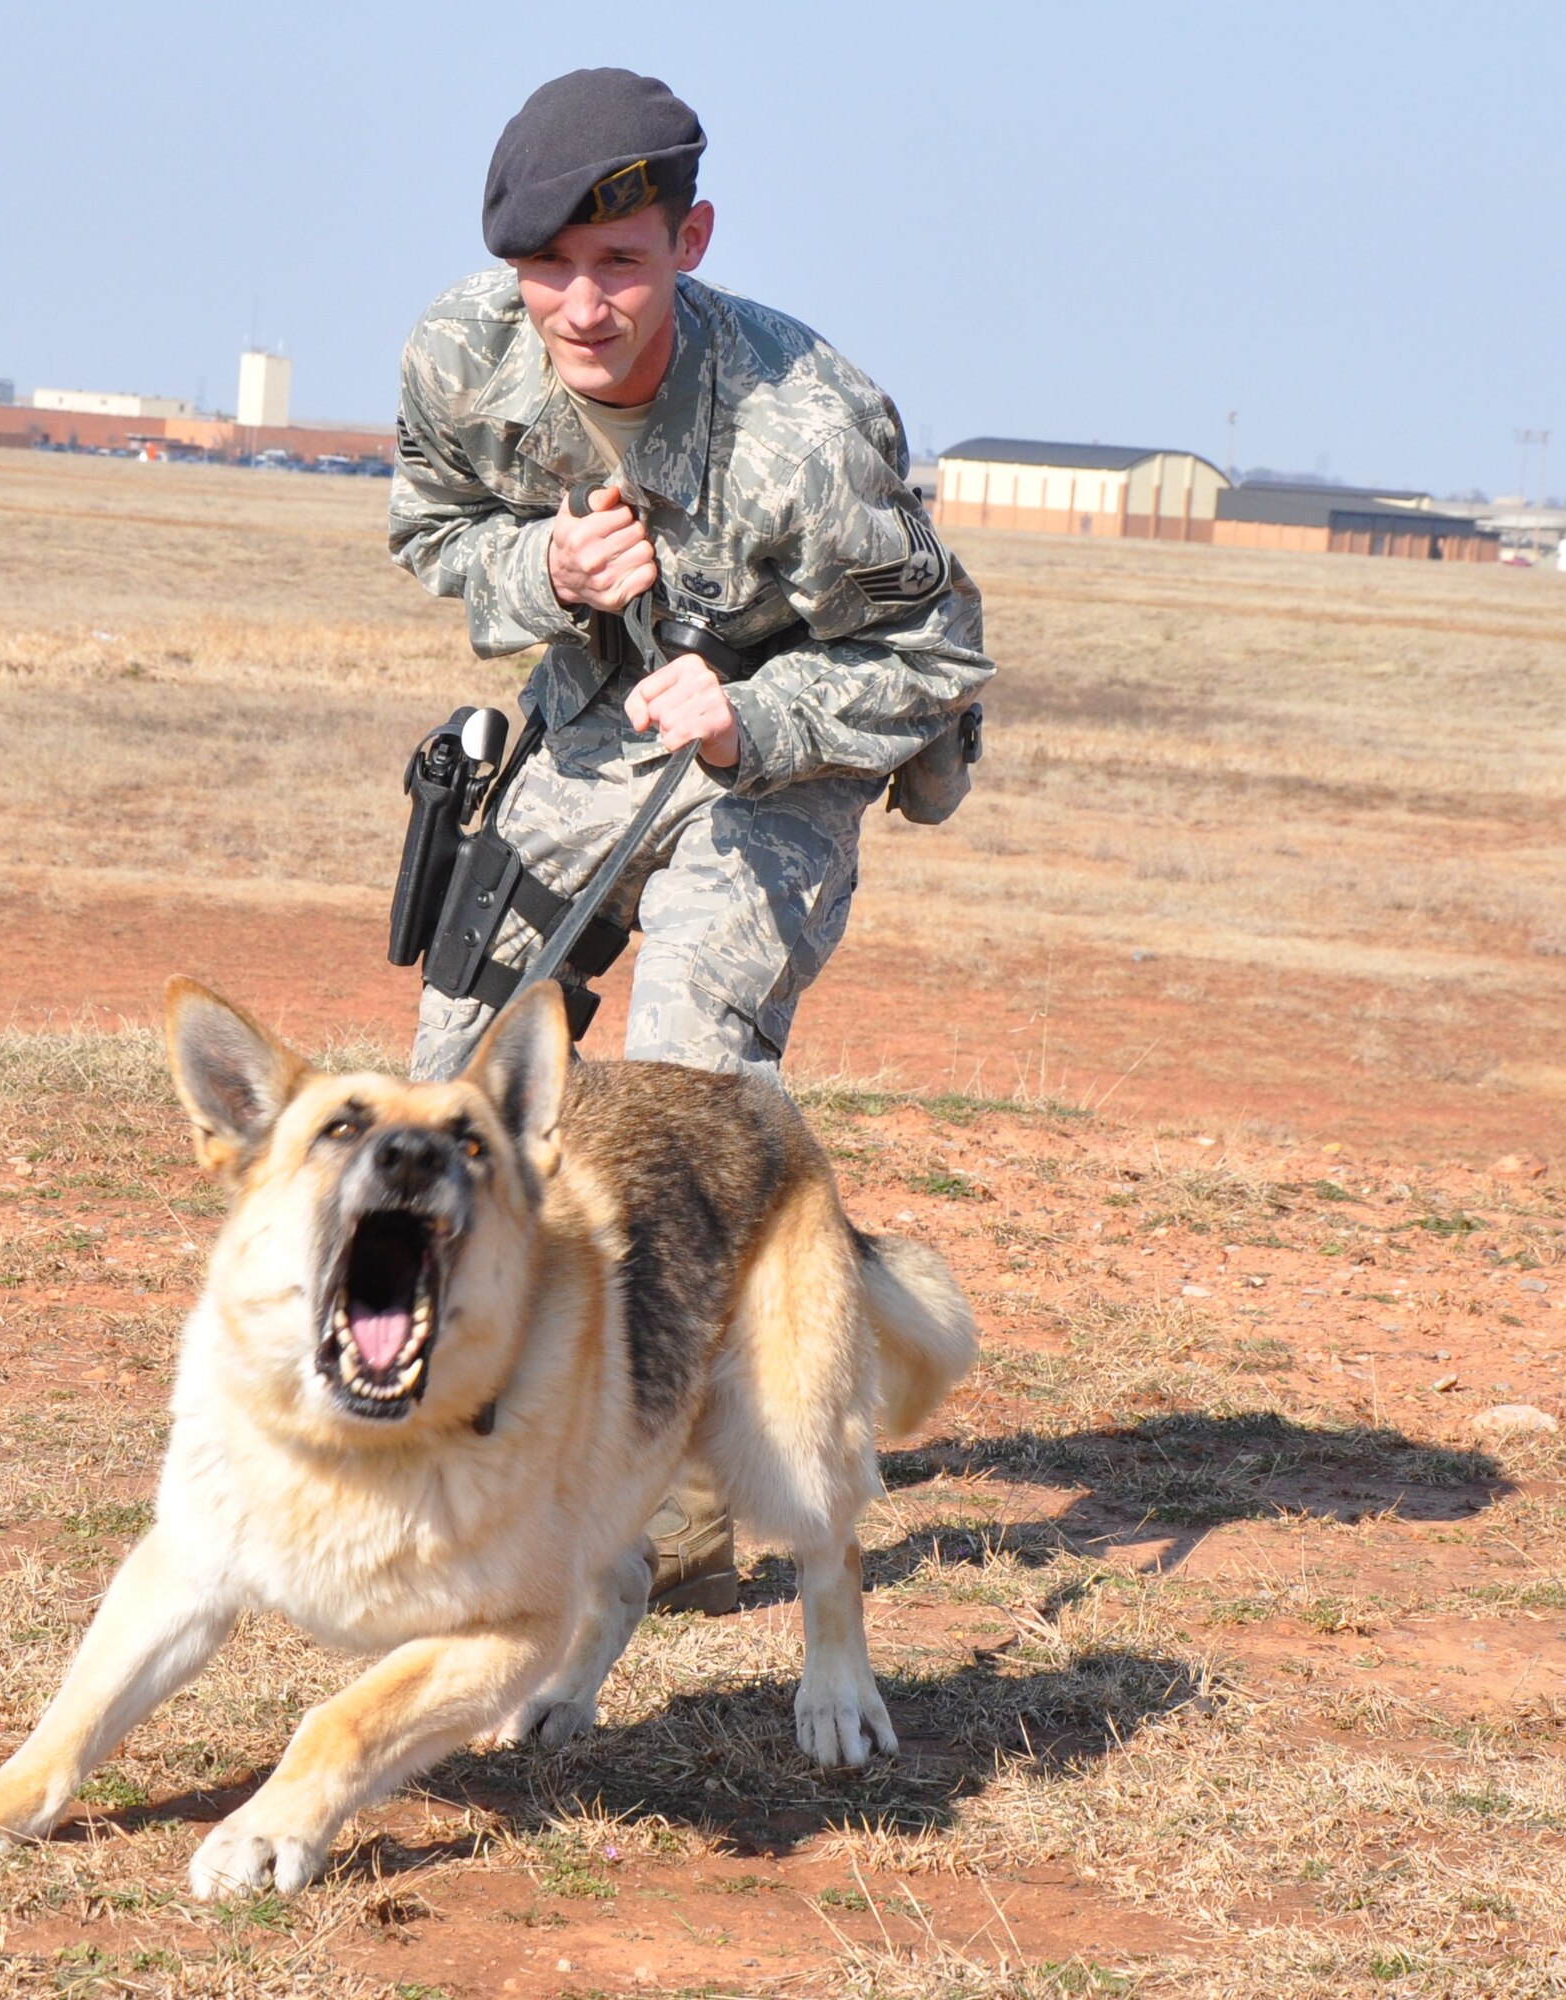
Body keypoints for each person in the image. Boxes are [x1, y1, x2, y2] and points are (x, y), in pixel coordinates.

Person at [389, 68, 993, 1614]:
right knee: (458, 1078)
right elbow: (431, 536)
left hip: (788, 749)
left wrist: (755, 721)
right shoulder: (466, 354)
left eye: (622, 266)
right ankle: (473, 1409)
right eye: (550, 272)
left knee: (684, 1075)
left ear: (691, 241)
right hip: (602, 721)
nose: (582, 309)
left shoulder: (808, 421)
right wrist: (544, 571)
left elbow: (937, 657)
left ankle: (718, 1461)